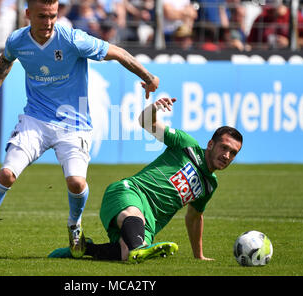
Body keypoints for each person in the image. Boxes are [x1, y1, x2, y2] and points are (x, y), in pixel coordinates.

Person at [0, 0, 159, 260]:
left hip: (74, 125)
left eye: (53, 15)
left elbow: (117, 52)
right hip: (35, 119)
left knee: (76, 183)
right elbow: (4, 61)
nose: (48, 22)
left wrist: (147, 77)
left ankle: (75, 227)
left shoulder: (71, 39)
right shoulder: (18, 40)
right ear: (28, 14)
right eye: (42, 16)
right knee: (6, 174)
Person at [48, 97, 243, 263]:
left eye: (233, 153)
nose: (226, 155)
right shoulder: (187, 145)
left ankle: (84, 249)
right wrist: (154, 108)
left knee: (127, 255)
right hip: (131, 193)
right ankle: (138, 244)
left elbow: (194, 217)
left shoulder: (210, 185)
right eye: (224, 148)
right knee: (135, 226)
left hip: (149, 223)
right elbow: (146, 122)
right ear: (211, 144)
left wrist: (198, 255)